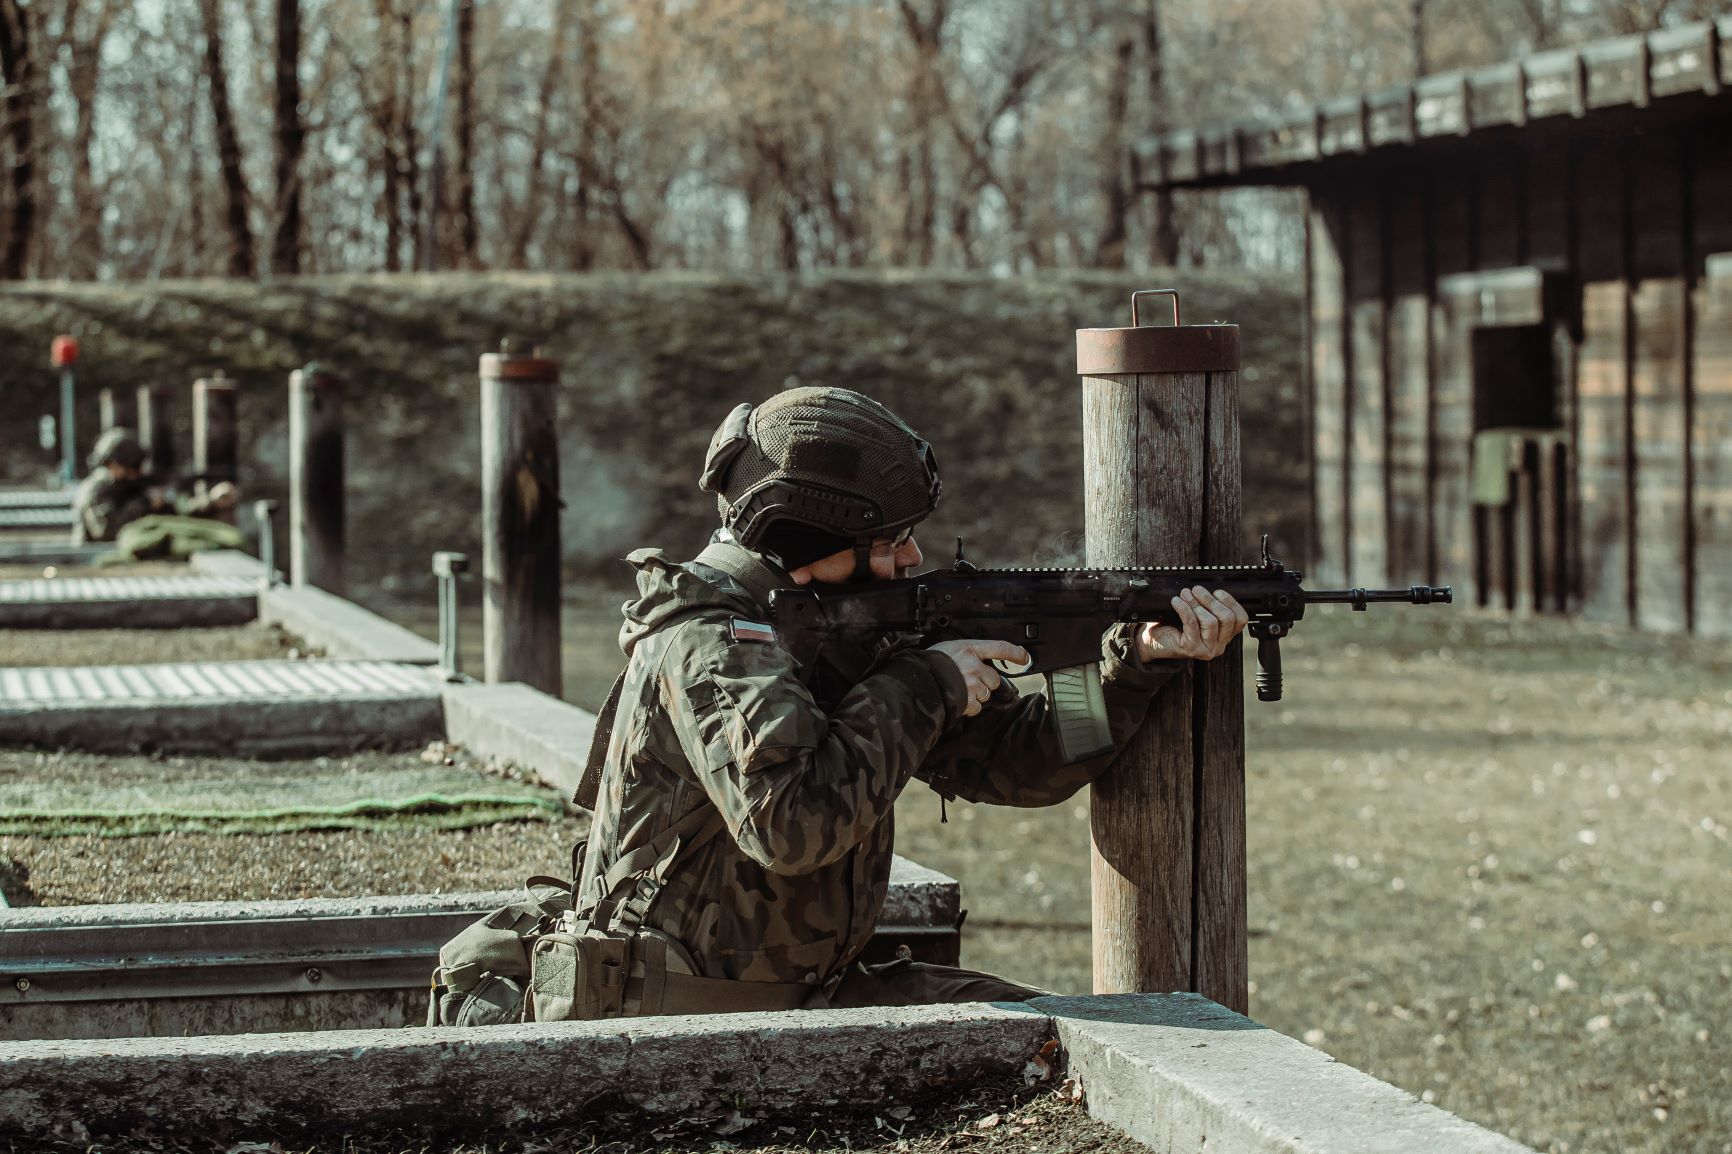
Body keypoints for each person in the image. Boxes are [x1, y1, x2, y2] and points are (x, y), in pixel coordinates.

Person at [575, 386, 1247, 1012]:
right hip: (674, 1013)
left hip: (789, 995)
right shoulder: (711, 644)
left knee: (1064, 1026)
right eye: (891, 541)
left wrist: (1127, 660)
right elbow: (790, 826)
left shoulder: (837, 634)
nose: (911, 557)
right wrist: (927, 685)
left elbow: (1029, 764)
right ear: (808, 541)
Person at [73, 427, 237, 545]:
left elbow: (177, 512)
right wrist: (145, 503)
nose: (136, 473)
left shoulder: (127, 487)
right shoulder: (96, 491)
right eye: (132, 467)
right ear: (113, 464)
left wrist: (210, 501)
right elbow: (106, 532)